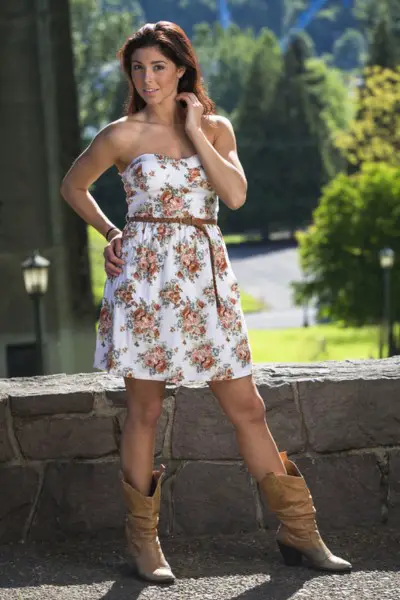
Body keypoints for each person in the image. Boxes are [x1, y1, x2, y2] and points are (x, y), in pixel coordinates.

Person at [61, 21, 351, 584]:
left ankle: (300, 531)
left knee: (248, 408)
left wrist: (193, 128)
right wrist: (111, 233)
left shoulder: (215, 128)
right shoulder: (121, 135)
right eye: (138, 68)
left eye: (159, 67)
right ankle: (144, 545)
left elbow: (236, 196)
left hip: (204, 280)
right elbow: (73, 186)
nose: (148, 78)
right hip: (145, 281)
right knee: (144, 411)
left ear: (182, 69)